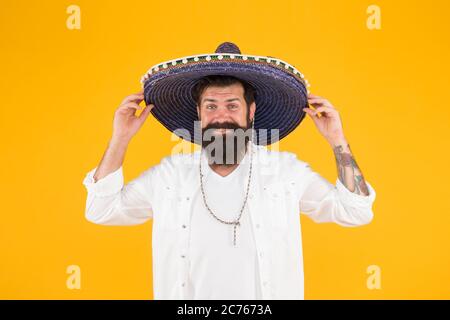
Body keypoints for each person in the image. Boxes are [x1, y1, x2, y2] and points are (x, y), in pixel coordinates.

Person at [82, 42, 376, 300]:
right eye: (211, 106)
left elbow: (356, 211)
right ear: (199, 114)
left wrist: (337, 140)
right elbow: (101, 209)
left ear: (250, 112)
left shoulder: (286, 172)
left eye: (232, 105)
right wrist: (120, 138)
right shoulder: (169, 175)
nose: (221, 116)